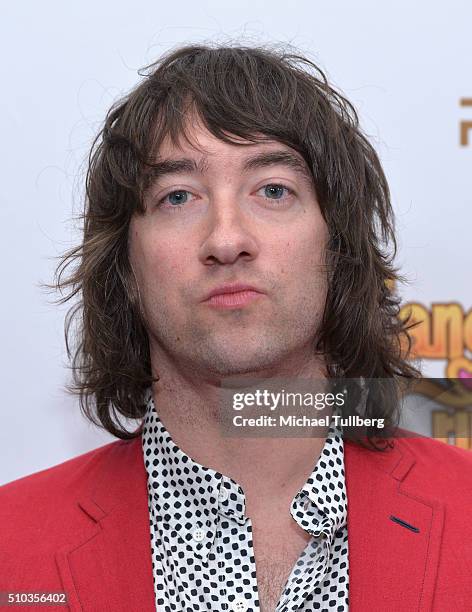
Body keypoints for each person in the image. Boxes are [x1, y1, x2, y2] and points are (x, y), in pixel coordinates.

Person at [1, 43, 471, 612]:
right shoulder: (11, 553)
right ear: (125, 264)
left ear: (338, 245)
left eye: (273, 189)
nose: (226, 239)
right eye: (178, 197)